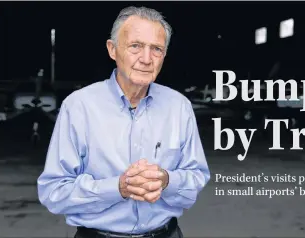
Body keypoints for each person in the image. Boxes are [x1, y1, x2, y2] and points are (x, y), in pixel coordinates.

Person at [37, 6, 210, 238]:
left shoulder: (179, 107)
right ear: (112, 49)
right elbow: (54, 191)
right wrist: (118, 188)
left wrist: (167, 180)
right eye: (135, 46)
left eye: (156, 49)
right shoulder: (78, 106)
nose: (146, 59)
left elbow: (197, 176)